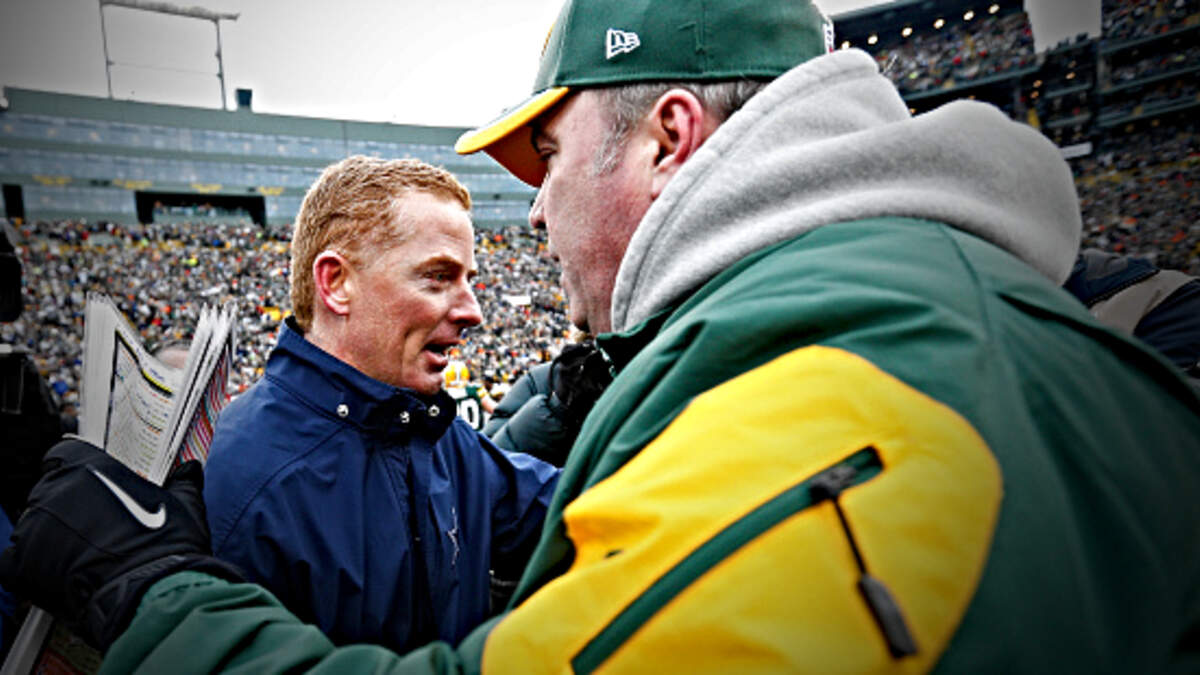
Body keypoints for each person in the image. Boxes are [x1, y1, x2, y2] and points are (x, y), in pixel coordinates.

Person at [4, 1, 1200, 672]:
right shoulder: (950, 317)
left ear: (669, 137)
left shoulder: (826, 396)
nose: (535, 213)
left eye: (551, 156)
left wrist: (149, 593)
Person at [200, 156, 559, 652]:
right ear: (336, 283)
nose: (473, 311)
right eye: (438, 277)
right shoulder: (247, 485)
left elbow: (573, 509)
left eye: (468, 280)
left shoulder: (433, 432)